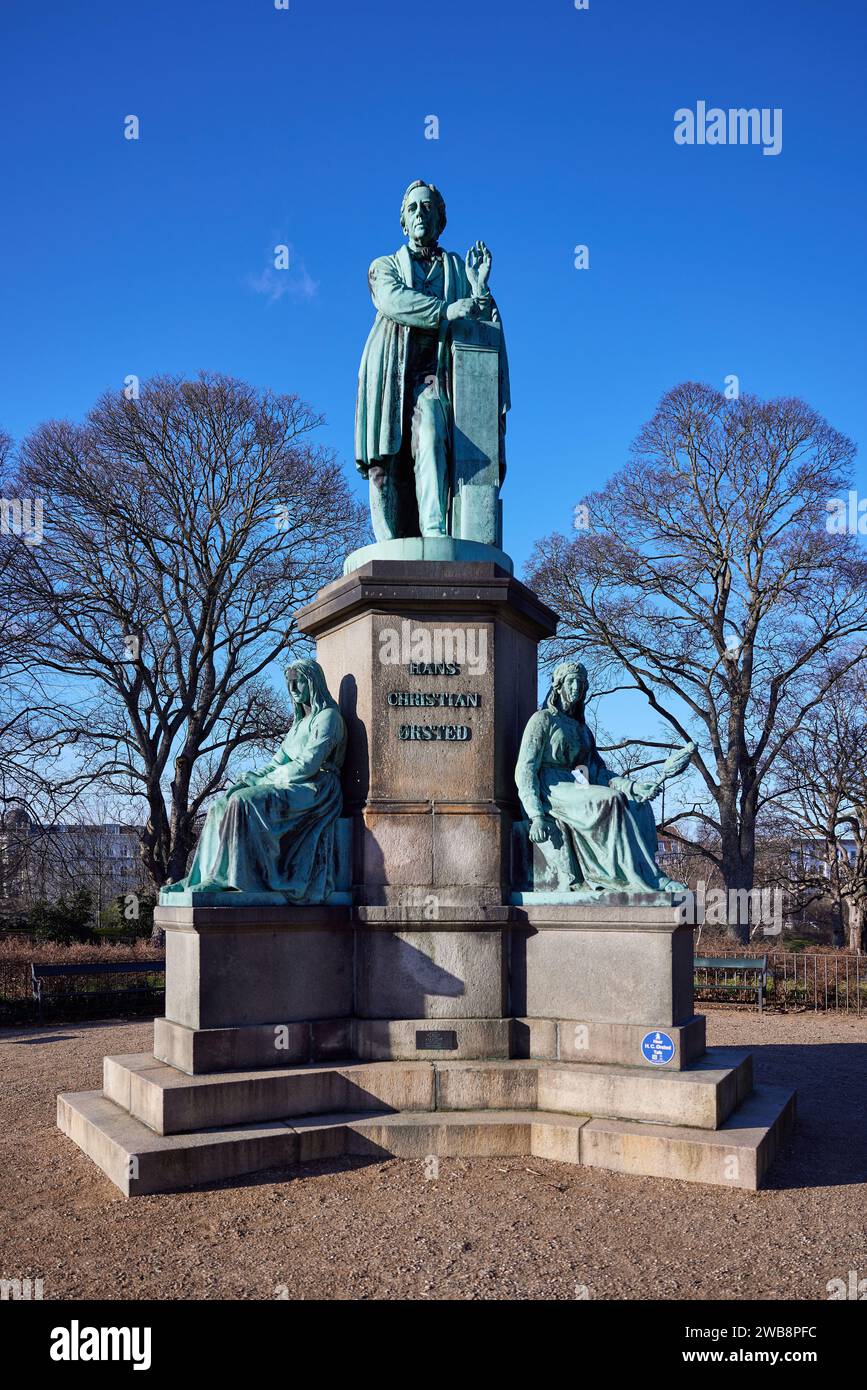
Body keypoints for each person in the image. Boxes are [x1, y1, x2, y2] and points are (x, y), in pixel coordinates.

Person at [355, 179, 509, 540]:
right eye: (413, 208)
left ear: (440, 220)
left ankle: (435, 531)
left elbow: (482, 322)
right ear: (403, 223)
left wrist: (479, 289)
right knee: (384, 465)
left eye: (428, 207)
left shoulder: (457, 268)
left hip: (435, 377)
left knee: (430, 431)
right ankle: (389, 540)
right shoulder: (384, 265)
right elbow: (394, 301)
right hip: (389, 375)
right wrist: (446, 309)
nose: (420, 213)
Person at [161, 660, 346, 902]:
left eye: (297, 681)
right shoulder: (298, 724)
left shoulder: (328, 718)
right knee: (221, 804)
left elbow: (308, 765)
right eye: (288, 682)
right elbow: (277, 762)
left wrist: (262, 783)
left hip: (317, 788)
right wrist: (251, 779)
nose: (292, 688)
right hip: (293, 783)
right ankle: (202, 876)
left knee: (242, 802)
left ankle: (229, 878)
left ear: (312, 681)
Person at [515, 661, 694, 894]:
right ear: (558, 686)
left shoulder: (582, 730)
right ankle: (630, 879)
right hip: (551, 789)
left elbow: (597, 772)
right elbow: (525, 768)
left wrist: (633, 787)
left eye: (581, 684)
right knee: (609, 801)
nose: (576, 688)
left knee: (638, 806)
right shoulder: (543, 720)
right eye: (571, 682)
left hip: (577, 784)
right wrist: (536, 814)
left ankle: (651, 874)